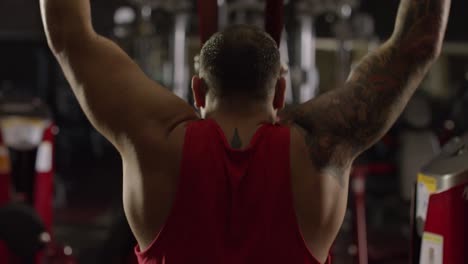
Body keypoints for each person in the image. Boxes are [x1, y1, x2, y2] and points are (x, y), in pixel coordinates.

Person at [39, 0, 450, 263]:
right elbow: (419, 43)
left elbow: (68, 35)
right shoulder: (321, 145)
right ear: (281, 92)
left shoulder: (154, 142)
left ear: (198, 89)